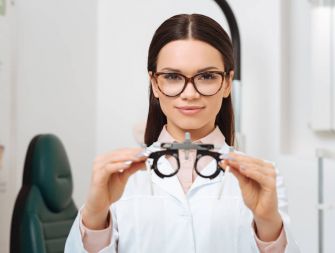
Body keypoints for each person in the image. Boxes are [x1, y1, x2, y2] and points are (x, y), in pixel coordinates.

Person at [65, 13, 300, 253]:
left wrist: (268, 223)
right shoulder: (121, 178)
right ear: (155, 84)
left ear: (228, 82)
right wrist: (94, 217)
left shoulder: (264, 180)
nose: (189, 93)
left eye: (207, 76)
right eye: (173, 77)